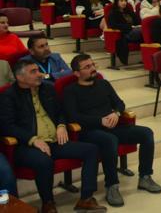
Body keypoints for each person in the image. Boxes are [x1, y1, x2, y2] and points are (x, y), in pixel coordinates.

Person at [0, 60, 106, 213]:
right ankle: (48, 203)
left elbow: (61, 112)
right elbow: (7, 125)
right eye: (33, 72)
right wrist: (33, 139)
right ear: (20, 77)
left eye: (38, 70)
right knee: (44, 160)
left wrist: (61, 125)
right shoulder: (8, 96)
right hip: (26, 146)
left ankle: (86, 199)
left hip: (55, 141)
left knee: (91, 150)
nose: (40, 74)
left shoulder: (47, 89)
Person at [64, 54, 161, 207]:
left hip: (113, 126)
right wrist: (99, 120)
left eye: (93, 65)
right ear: (77, 73)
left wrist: (115, 113)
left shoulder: (103, 84)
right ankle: (112, 185)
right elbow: (73, 116)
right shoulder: (71, 91)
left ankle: (145, 177)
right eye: (87, 67)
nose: (93, 69)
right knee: (109, 140)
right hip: (90, 131)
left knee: (146, 133)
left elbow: (119, 103)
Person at [107, 0, 143, 65]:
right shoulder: (113, 13)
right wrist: (129, 27)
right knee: (143, 30)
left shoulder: (128, 11)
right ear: (117, 2)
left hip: (134, 32)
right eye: (121, 1)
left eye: (125, 1)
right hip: (125, 34)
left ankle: (147, 57)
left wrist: (137, 26)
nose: (124, 3)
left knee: (145, 30)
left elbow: (138, 21)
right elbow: (113, 25)